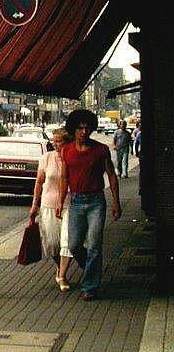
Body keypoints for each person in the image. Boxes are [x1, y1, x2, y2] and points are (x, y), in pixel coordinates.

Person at [59, 109, 121, 301]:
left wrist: (116, 202)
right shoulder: (67, 151)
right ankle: (92, 269)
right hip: (76, 202)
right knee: (74, 245)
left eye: (87, 128)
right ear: (73, 130)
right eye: (80, 128)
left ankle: (90, 286)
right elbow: (64, 177)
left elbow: (111, 175)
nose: (84, 132)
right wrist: (60, 202)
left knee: (94, 244)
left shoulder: (100, 150)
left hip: (96, 201)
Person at [29, 128, 73, 291]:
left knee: (67, 241)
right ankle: (60, 267)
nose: (55, 144)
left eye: (59, 141)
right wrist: (34, 204)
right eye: (53, 141)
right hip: (48, 204)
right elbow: (39, 182)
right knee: (52, 243)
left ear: (67, 142)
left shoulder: (72, 158)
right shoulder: (46, 158)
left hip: (69, 204)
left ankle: (62, 276)